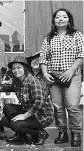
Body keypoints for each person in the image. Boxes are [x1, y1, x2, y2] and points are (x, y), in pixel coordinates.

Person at [39, 8, 83, 147]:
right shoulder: (49, 38)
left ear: (69, 20)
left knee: (73, 106)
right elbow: (43, 58)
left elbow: (81, 55)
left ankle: (76, 133)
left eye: (64, 17)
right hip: (54, 77)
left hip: (72, 75)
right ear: (54, 21)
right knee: (58, 107)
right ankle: (62, 132)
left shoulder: (77, 35)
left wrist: (71, 70)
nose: (61, 19)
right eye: (58, 17)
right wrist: (45, 74)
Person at [3, 56, 54, 145]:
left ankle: (40, 133)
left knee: (15, 124)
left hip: (42, 115)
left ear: (25, 68)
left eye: (19, 68)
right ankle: (21, 135)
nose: (16, 70)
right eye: (14, 68)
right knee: (7, 107)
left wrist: (24, 116)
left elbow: (39, 102)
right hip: (30, 110)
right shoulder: (17, 82)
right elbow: (5, 88)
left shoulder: (32, 81)